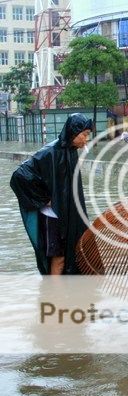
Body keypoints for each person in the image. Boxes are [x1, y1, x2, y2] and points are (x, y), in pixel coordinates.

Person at [10, 113, 92, 275]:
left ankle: (61, 293)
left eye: (88, 135)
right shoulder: (50, 152)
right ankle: (55, 295)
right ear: (73, 132)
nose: (86, 139)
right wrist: (43, 199)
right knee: (58, 257)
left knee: (72, 252)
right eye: (84, 134)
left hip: (67, 213)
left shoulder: (71, 151)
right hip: (52, 216)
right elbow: (19, 176)